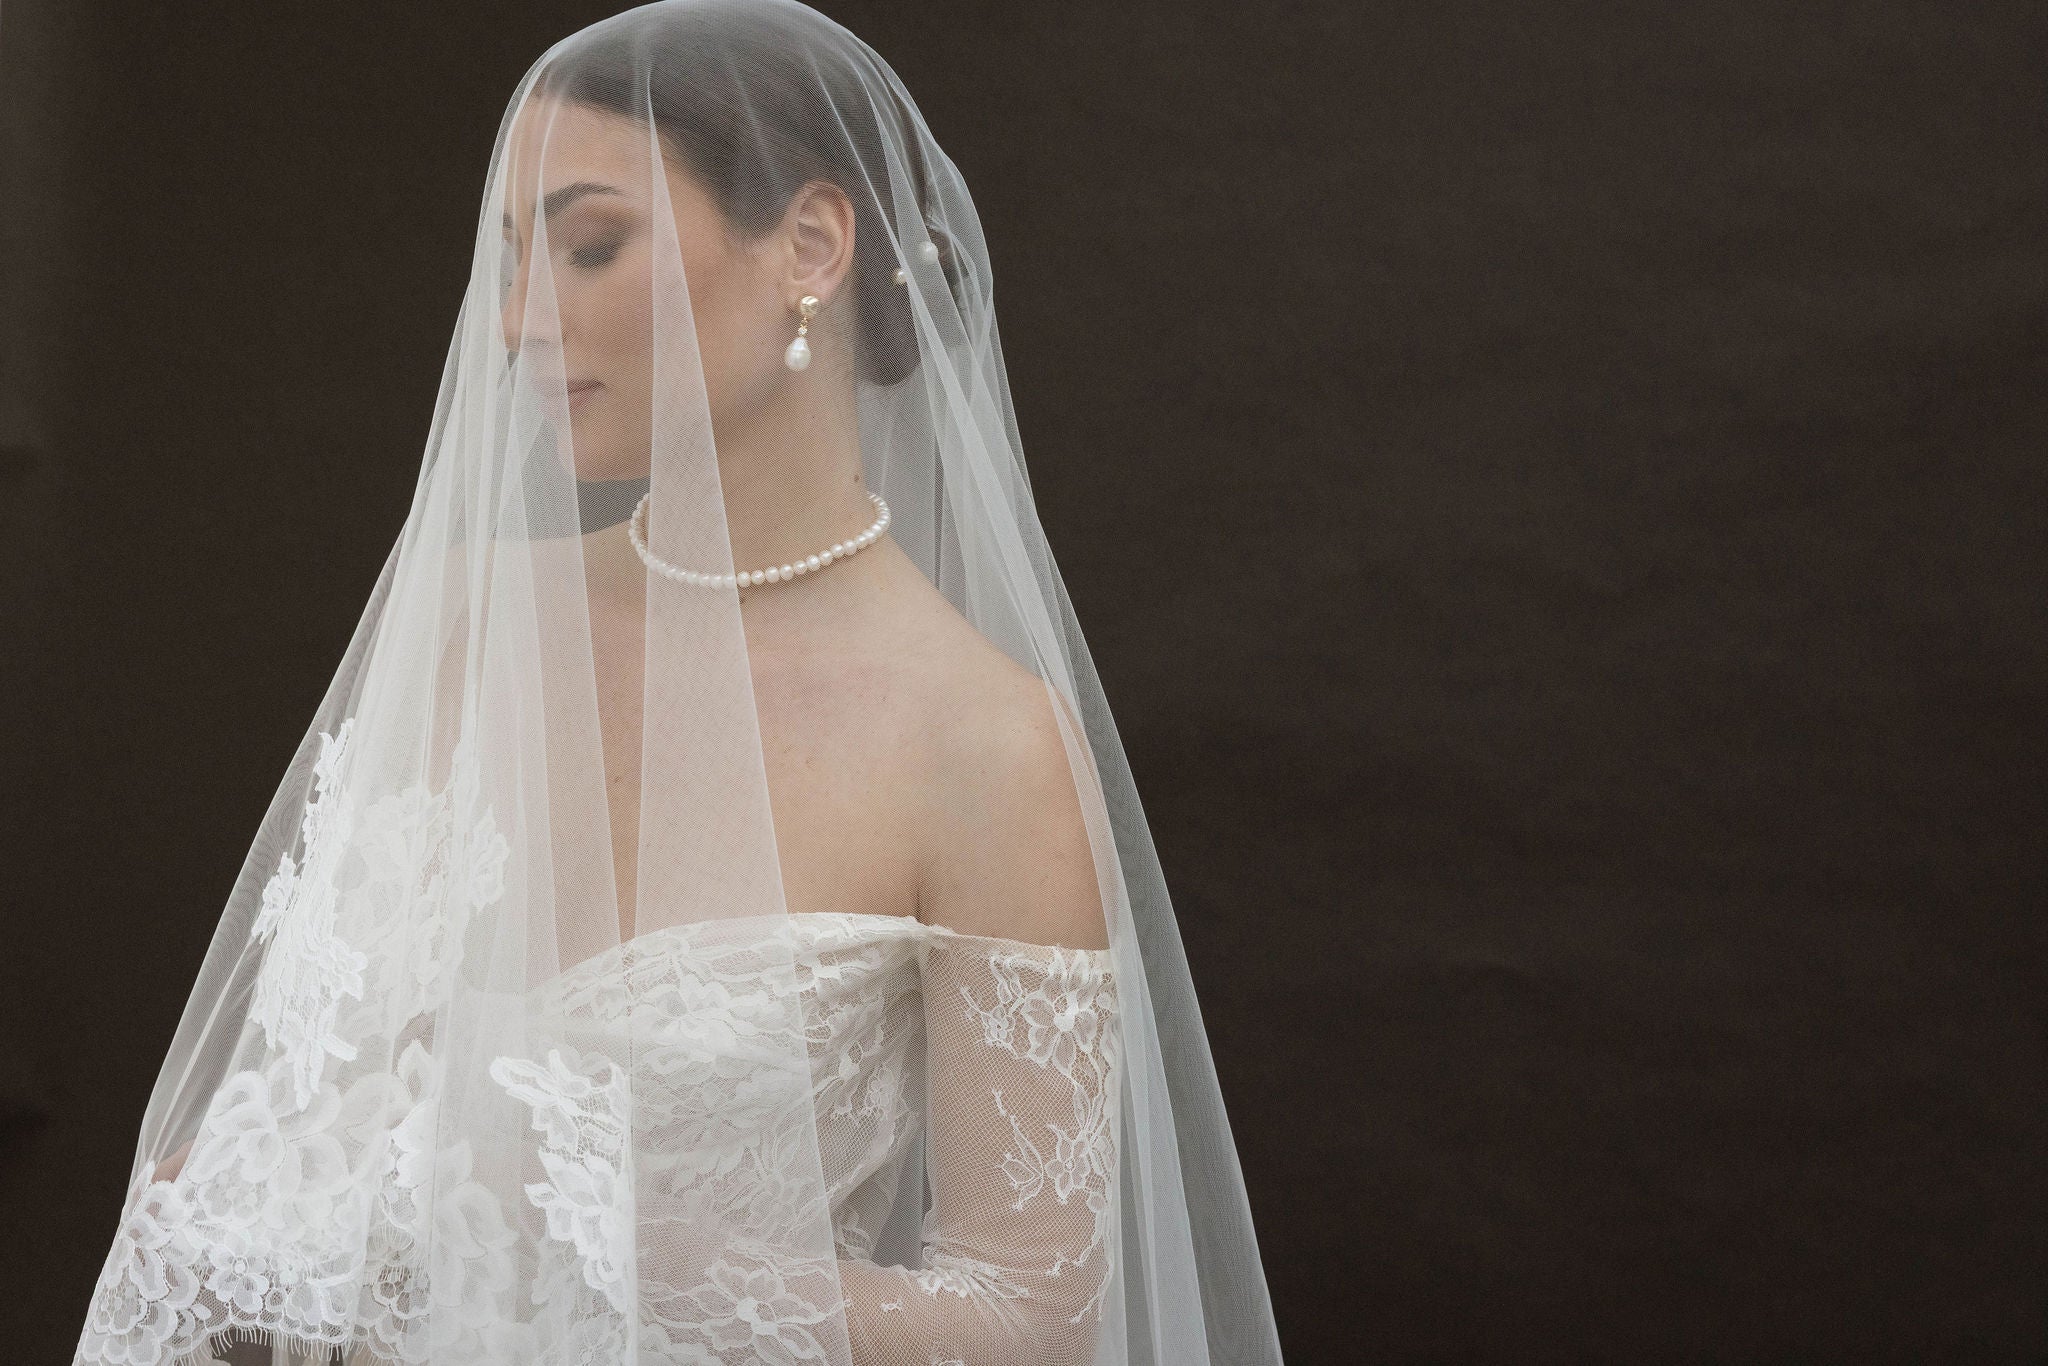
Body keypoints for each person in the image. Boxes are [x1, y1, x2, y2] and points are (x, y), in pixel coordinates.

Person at [70, 2, 1284, 1362]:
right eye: (513, 258)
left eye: (591, 246)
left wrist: (614, 1251)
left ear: (811, 247)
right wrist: (238, 1212)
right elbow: (274, 1149)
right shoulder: (472, 616)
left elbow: (1033, 1317)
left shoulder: (985, 745)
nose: (522, 321)